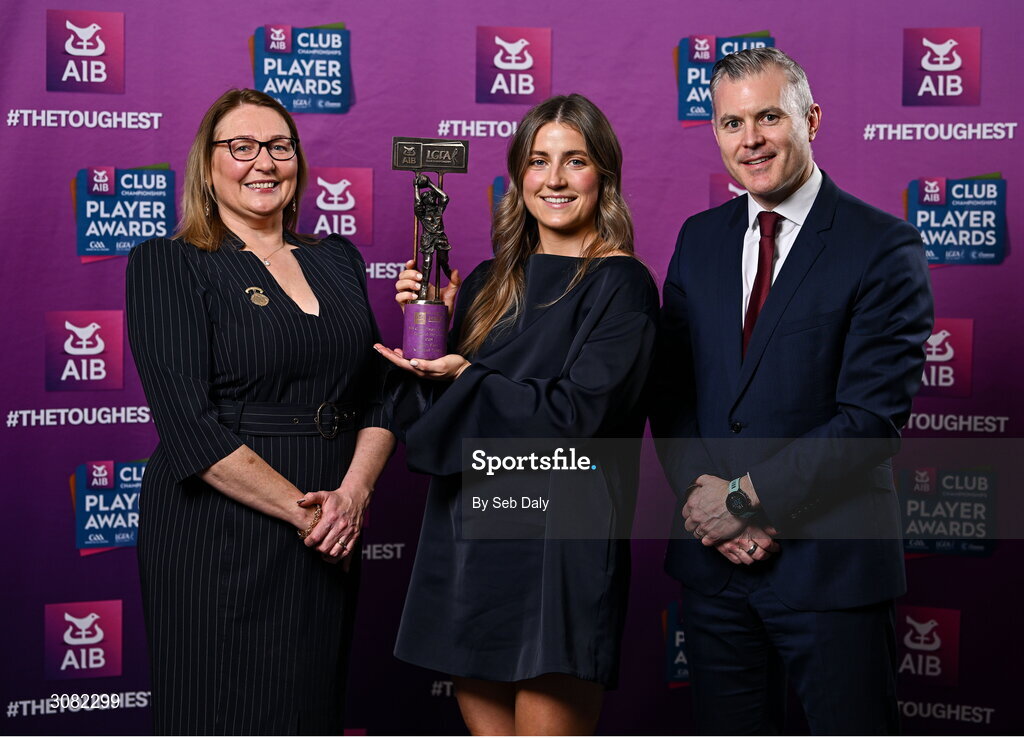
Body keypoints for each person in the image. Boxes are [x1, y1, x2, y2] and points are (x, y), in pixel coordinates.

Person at [651, 47, 934, 734]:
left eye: (769, 117)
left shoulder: (883, 246)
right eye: (730, 123)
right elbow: (672, 393)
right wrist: (705, 506)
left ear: (811, 118)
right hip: (717, 569)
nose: (750, 140)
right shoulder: (699, 240)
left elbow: (868, 420)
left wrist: (743, 500)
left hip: (831, 569)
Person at [375, 94, 658, 735]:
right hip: (473, 537)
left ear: (603, 175)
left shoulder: (623, 286)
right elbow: (432, 421)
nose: (554, 179)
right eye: (538, 161)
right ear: (517, 176)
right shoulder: (483, 282)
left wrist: (468, 375)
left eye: (574, 161)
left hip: (560, 545)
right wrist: (429, 335)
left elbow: (579, 419)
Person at [125, 88, 394, 735]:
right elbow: (189, 425)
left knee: (307, 708)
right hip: (220, 529)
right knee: (219, 710)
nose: (263, 163)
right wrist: (309, 514)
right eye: (241, 147)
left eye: (279, 146)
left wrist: (351, 499)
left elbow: (383, 389)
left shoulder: (337, 259)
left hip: (330, 526)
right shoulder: (169, 263)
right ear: (207, 163)